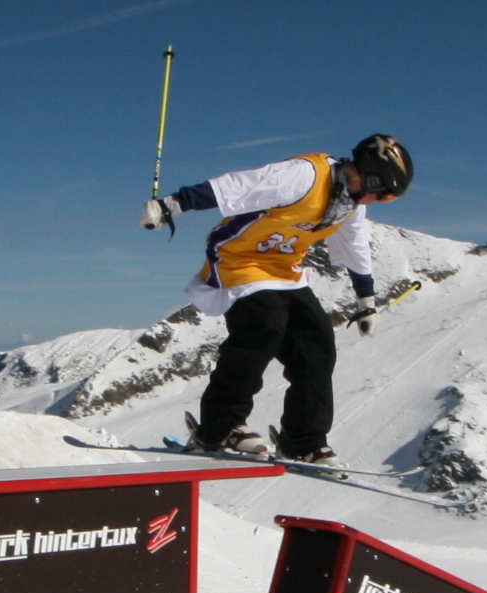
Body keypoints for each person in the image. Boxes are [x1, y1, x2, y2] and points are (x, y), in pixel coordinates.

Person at [140, 134, 413, 463]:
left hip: (283, 268)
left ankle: (302, 441)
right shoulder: (306, 175)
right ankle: (219, 428)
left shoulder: (350, 205)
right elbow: (239, 186)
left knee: (318, 344)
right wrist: (171, 205)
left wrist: (365, 301)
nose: (375, 200)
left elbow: (355, 248)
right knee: (263, 325)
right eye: (380, 192)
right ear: (368, 175)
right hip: (238, 258)